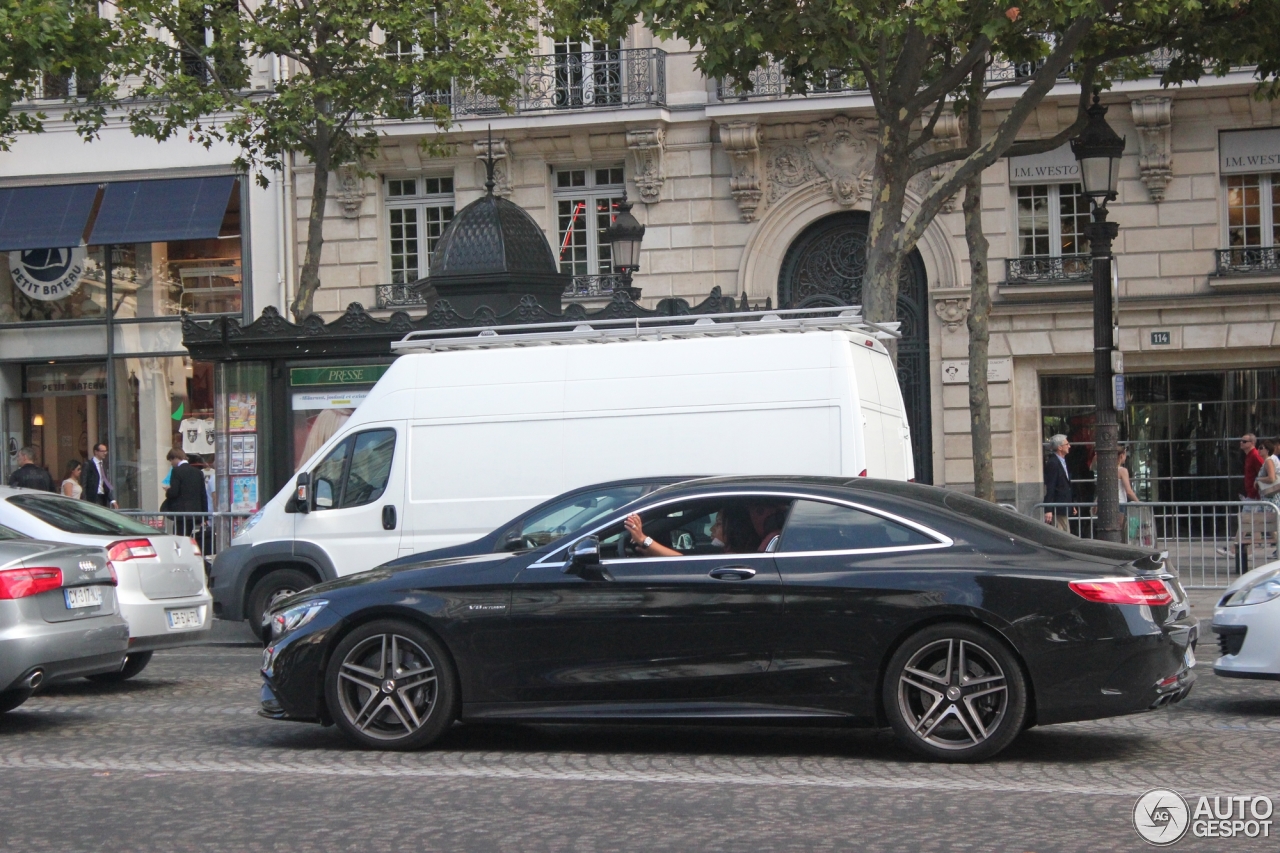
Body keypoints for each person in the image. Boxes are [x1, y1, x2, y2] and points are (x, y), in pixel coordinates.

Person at [165, 448, 209, 536]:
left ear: (176, 458)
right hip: (195, 513)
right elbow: (203, 494)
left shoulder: (176, 471)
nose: (171, 463)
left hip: (181, 514)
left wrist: (168, 491)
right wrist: (205, 516)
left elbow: (174, 492)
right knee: (190, 537)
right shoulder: (198, 472)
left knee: (179, 539)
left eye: (171, 460)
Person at [1043, 434, 1075, 531]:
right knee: (1062, 535)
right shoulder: (1053, 463)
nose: (1069, 446)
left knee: (1065, 533)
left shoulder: (1064, 461)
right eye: (1067, 444)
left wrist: (1071, 504)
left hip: (1063, 506)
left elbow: (1065, 484)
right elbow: (1050, 486)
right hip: (1058, 507)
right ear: (1060, 447)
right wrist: (1048, 509)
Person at [82, 443, 118, 508]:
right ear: (96, 452)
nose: (105, 453)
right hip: (93, 497)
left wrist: (112, 500)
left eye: (106, 451)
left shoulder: (103, 465)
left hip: (103, 497)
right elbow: (84, 484)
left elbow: (105, 483)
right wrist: (85, 500)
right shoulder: (88, 465)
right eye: (103, 451)